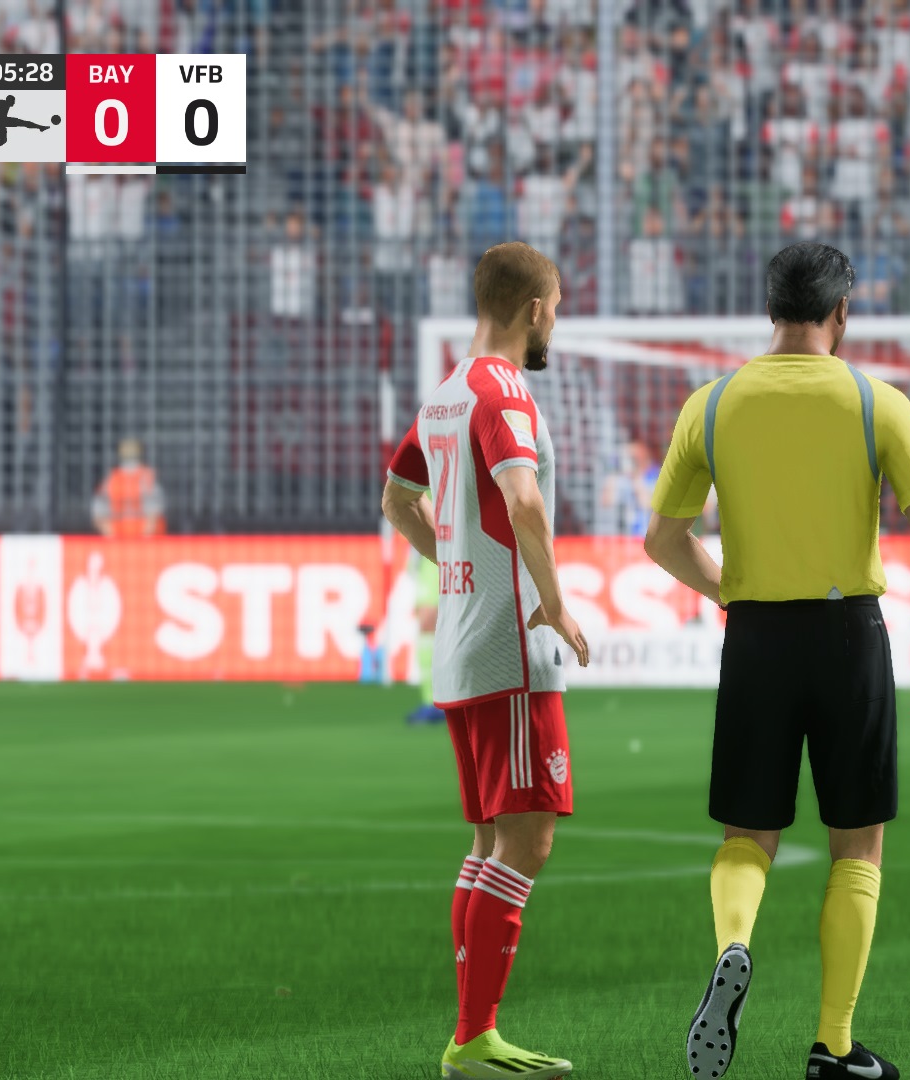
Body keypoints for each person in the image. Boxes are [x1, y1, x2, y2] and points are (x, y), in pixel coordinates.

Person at [643, 243, 910, 1080]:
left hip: (756, 636)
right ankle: (834, 1045)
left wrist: (729, 593)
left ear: (770, 309)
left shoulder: (712, 404)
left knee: (747, 833)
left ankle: (735, 942)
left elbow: (663, 540)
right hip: (848, 634)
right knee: (857, 846)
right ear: (841, 312)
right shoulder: (876, 401)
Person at [381, 242, 590, 1080]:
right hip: (510, 649)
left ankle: (472, 1035)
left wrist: (456, 563)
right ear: (534, 309)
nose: (555, 324)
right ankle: (474, 1037)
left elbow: (396, 498)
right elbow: (524, 499)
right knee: (528, 840)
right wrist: (555, 600)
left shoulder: (444, 394)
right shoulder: (503, 389)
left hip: (462, 648)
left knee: (487, 843)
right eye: (556, 308)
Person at [91, 438, 166, 537]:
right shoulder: (112, 480)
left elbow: (153, 517)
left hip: (137, 540)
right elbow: (99, 515)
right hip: (128, 539)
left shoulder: (146, 479)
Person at [406, 542, 445, 724]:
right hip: (426, 555)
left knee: (430, 623)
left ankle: (439, 701)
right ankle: (432, 700)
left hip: (439, 551)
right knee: (427, 628)